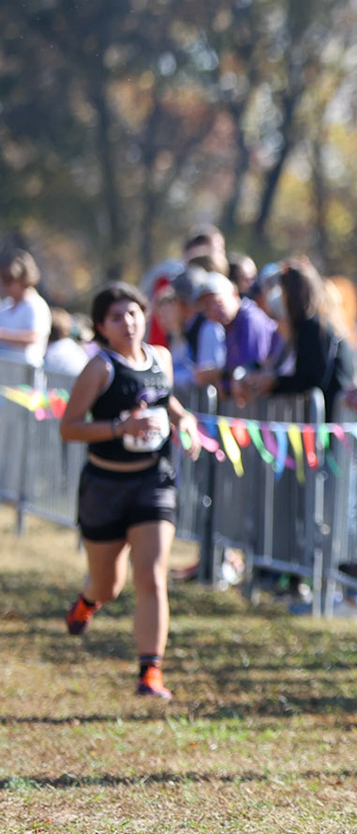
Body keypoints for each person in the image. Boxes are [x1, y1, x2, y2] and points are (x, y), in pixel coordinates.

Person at [59, 283, 202, 700]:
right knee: (108, 586)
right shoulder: (100, 368)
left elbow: (168, 403)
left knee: (152, 576)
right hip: (105, 486)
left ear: (146, 315)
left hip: (152, 482)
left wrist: (186, 422)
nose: (128, 323)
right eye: (116, 317)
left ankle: (150, 673)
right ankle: (88, 602)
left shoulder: (161, 358)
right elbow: (69, 427)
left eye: (134, 313)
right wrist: (120, 427)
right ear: (102, 326)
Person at [236, 260, 354, 414]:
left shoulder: (313, 326)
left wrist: (274, 382)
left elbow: (311, 379)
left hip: (329, 414)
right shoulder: (304, 326)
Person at [193, 274, 279, 400]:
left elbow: (252, 370)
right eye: (206, 307)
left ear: (235, 295)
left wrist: (218, 374)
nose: (213, 310)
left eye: (218, 302)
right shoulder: (230, 326)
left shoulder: (250, 319)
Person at [0, 250, 52, 368]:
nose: (5, 286)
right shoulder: (6, 305)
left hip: (25, 372)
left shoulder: (36, 305)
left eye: (9, 280)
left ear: (23, 279)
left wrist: (2, 335)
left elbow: (34, 337)